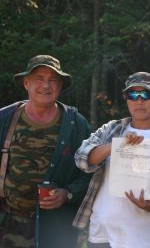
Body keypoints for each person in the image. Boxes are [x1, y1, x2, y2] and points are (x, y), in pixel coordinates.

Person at [73, 72, 150, 248]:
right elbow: (81, 159)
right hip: (102, 234)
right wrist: (115, 146)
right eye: (133, 95)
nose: (139, 101)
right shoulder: (111, 129)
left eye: (146, 94)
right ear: (126, 99)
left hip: (146, 238)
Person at [0, 55, 92, 248]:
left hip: (56, 228)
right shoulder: (5, 119)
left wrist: (68, 193)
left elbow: (92, 174)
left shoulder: (76, 124)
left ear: (60, 86)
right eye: (39, 79)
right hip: (8, 225)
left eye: (52, 80)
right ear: (26, 83)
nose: (46, 85)